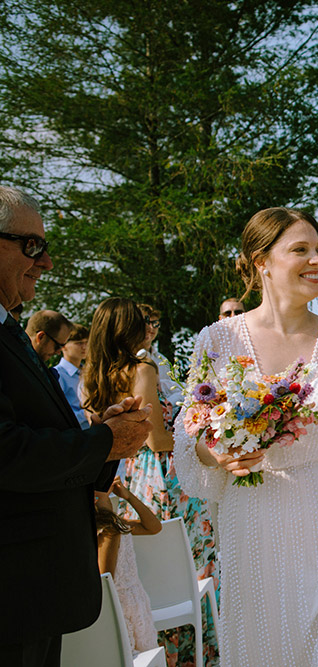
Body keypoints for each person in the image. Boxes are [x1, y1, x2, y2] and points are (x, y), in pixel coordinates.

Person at [174, 207, 318, 666]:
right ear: (261, 261)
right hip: (256, 526)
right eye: (300, 250)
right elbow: (191, 438)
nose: (316, 260)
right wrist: (220, 452)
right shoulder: (217, 340)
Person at [0, 185, 151, 667]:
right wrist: (104, 441)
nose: (45, 263)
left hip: (34, 592)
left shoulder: (8, 330)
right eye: (32, 246)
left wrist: (98, 435)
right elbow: (7, 452)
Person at [82, 297, 220, 667]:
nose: (148, 326)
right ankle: (194, 655)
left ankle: (166, 653)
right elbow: (156, 440)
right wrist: (198, 435)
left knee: (155, 571)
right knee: (193, 562)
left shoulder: (96, 373)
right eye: (141, 320)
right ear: (127, 328)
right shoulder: (142, 367)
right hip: (165, 475)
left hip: (128, 475)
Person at [96, 477, 162, 656]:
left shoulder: (117, 526)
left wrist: (128, 496)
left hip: (134, 604)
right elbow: (106, 580)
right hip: (122, 610)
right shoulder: (108, 532)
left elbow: (154, 527)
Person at [137, 303, 182, 408]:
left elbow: (169, 391)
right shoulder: (126, 357)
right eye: (146, 322)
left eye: (155, 323)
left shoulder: (161, 360)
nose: (151, 328)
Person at [54, 323, 90, 428]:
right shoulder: (58, 374)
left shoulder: (89, 372)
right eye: (79, 343)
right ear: (64, 345)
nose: (84, 347)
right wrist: (88, 412)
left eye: (86, 342)